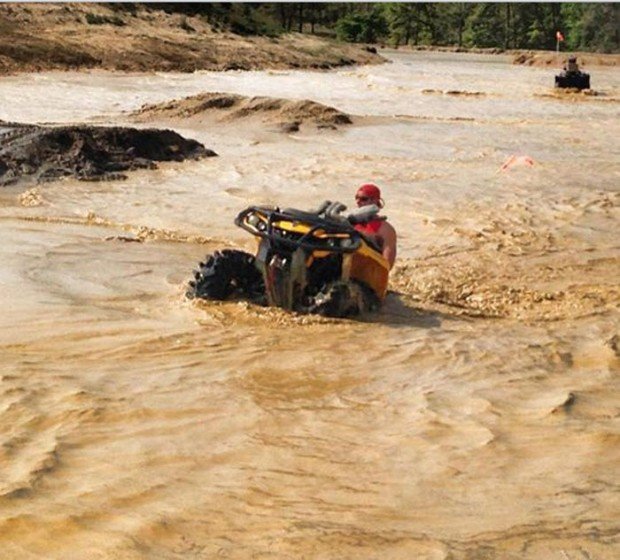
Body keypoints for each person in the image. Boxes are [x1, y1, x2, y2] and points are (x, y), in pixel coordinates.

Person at [352, 183, 397, 269]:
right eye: (356, 198)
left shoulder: (386, 229)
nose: (358, 202)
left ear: (375, 201)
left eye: (363, 199)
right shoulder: (351, 223)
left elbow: (387, 264)